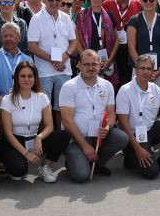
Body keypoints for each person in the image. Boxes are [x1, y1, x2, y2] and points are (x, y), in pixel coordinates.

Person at [47, 49, 129, 182]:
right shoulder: (69, 86)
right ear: (79, 65)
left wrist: (108, 126)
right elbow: (67, 121)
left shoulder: (107, 85)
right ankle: (76, 161)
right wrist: (84, 145)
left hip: (98, 138)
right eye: (86, 64)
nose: (91, 68)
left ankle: (97, 164)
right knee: (81, 176)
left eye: (94, 64)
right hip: (75, 139)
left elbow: (111, 113)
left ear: (99, 65)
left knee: (121, 137)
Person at [116, 54, 160, 178]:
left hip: (150, 131)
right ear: (136, 70)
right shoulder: (125, 90)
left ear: (152, 71)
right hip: (132, 135)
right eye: (142, 68)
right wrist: (138, 149)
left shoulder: (155, 89)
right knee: (152, 172)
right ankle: (131, 156)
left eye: (149, 68)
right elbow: (123, 123)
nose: (145, 71)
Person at [0, 61, 59, 184]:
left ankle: (44, 167)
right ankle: (15, 162)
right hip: (15, 140)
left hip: (35, 140)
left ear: (35, 78)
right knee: (19, 170)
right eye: (23, 76)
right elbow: (8, 134)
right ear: (17, 78)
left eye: (30, 76)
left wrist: (39, 137)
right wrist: (26, 154)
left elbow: (50, 126)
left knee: (63, 136)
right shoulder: (7, 100)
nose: (26, 79)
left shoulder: (42, 97)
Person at [28, 0, 79, 118]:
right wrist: (54, 60)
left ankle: (60, 130)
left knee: (62, 106)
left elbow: (74, 42)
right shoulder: (36, 19)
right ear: (44, 0)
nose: (54, 2)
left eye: (57, 0)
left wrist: (65, 57)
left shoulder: (66, 18)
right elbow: (31, 46)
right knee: (45, 107)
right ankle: (48, 131)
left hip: (64, 69)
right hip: (44, 71)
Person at [127, 0, 160, 91]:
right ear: (141, 1)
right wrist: (141, 68)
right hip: (139, 69)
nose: (148, 2)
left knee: (155, 98)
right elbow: (131, 47)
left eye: (151, 0)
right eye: (145, 0)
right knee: (137, 97)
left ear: (156, 1)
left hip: (158, 71)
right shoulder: (134, 20)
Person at [104, 0, 142, 87]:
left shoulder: (138, 4)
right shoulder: (106, 4)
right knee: (113, 82)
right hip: (112, 49)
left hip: (131, 49)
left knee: (130, 81)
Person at [0, 23, 29, 97]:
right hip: (0, 101)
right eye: (5, 36)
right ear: (1, 38)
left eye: (11, 36)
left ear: (19, 38)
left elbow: (32, 85)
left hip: (23, 100)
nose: (8, 39)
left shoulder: (28, 60)